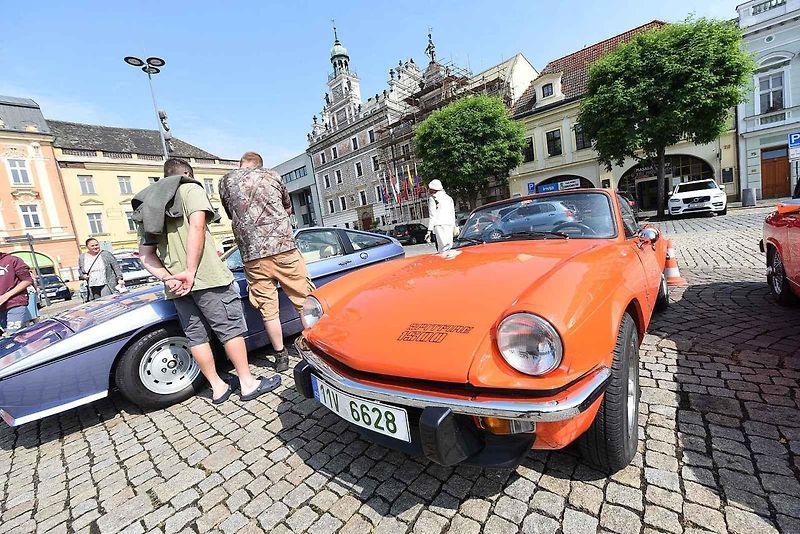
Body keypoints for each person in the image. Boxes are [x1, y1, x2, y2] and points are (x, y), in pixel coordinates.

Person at [134, 157, 280, 403]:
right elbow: (197, 227)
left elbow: (145, 255)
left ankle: (217, 387)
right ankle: (247, 383)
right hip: (207, 278)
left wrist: (169, 278)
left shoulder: (148, 204)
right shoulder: (190, 188)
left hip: (177, 288)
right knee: (230, 330)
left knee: (196, 337)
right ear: (187, 173)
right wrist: (190, 271)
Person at [219, 151, 314, 372]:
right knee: (304, 300)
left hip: (253, 255)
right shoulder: (273, 176)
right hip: (283, 248)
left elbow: (231, 214)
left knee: (268, 309)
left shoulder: (226, 181)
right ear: (260, 165)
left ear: (240, 165)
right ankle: (313, 346)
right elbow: (288, 207)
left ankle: (280, 356)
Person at [0, 252, 33, 335]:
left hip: (14, 303)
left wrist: (6, 296)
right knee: (11, 339)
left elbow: (27, 280)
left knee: (13, 334)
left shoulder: (12, 260)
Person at [427, 179, 457, 252]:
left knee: (442, 249)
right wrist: (454, 225)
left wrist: (429, 230)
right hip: (449, 224)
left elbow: (432, 216)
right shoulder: (449, 198)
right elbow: (452, 213)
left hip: (439, 225)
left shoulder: (433, 198)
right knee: (449, 247)